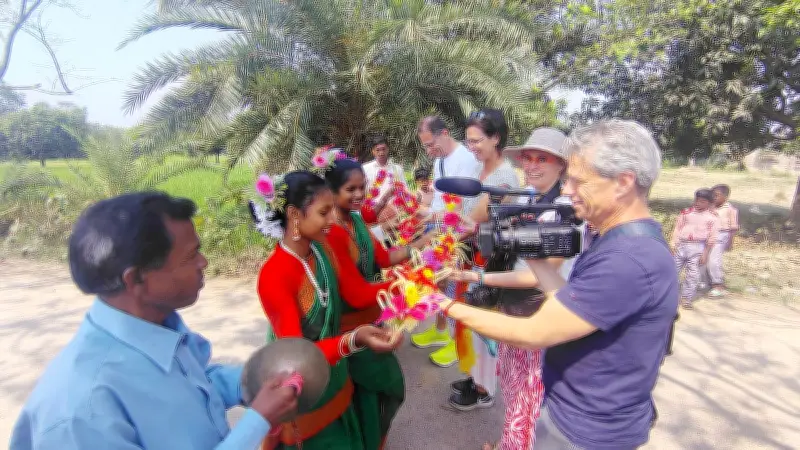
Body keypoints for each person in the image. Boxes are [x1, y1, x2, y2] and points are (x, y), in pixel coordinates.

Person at [436, 119, 679, 449]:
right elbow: (566, 295)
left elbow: (534, 333)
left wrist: (443, 305)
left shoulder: (629, 258)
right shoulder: (613, 238)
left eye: (579, 182)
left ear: (623, 182)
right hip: (576, 409)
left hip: (587, 429)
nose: (567, 191)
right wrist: (531, 252)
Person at [11, 192, 300, 450]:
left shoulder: (159, 328)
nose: (204, 263)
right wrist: (257, 422)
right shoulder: (83, 412)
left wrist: (247, 382)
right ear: (136, 278)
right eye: (190, 257)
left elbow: (191, 389)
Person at [252, 170, 404, 450]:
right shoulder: (275, 275)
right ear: (295, 215)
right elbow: (297, 360)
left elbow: (356, 292)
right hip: (307, 400)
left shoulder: (322, 251)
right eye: (324, 212)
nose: (332, 219)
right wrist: (355, 339)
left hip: (337, 382)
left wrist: (404, 284)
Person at [449, 127, 574, 450]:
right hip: (515, 309)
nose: (531, 165)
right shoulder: (527, 198)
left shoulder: (562, 211)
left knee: (530, 400)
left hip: (537, 317)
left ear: (561, 165)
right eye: (528, 158)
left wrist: (476, 278)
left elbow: (535, 277)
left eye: (542, 159)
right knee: (515, 392)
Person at [438, 109, 520, 414]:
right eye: (468, 140)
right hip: (470, 257)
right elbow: (459, 212)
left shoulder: (504, 179)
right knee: (469, 325)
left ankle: (485, 389)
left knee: (483, 325)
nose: (471, 146)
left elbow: (472, 219)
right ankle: (475, 377)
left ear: (496, 138)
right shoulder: (478, 170)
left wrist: (438, 244)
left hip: (488, 264)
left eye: (477, 140)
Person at [410, 115, 480, 367]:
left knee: (456, 287)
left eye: (431, 144)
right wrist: (423, 210)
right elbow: (439, 199)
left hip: (459, 235)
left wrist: (432, 217)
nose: (429, 151)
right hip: (438, 229)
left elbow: (463, 207)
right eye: (425, 146)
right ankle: (440, 330)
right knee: (438, 284)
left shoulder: (467, 160)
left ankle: (458, 342)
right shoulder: (440, 161)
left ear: (445, 133)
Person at [670, 188, 719, 309]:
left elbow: (712, 238)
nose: (698, 203)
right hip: (681, 245)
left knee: (693, 274)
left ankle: (686, 298)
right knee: (672, 271)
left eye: (702, 201)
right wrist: (673, 242)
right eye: (697, 200)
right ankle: (670, 297)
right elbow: (678, 228)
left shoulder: (712, 218)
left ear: (709, 203)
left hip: (698, 247)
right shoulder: (686, 213)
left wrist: (705, 254)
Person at [361, 134, 408, 225]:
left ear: (388, 149)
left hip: (395, 213)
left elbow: (404, 190)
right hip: (374, 213)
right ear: (373, 151)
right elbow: (362, 192)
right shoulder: (365, 169)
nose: (381, 153)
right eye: (377, 150)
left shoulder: (397, 168)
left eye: (383, 149)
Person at [707, 184, 739, 297]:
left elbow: (733, 228)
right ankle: (707, 283)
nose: (714, 198)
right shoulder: (709, 207)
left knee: (714, 261)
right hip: (708, 236)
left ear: (725, 197)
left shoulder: (730, 209)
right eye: (712, 195)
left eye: (717, 196)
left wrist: (730, 241)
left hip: (722, 235)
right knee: (704, 260)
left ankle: (718, 285)